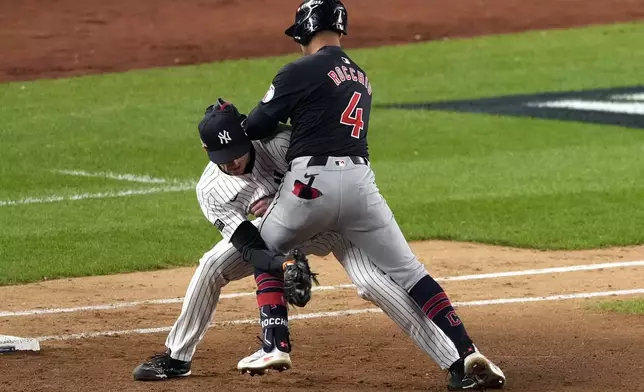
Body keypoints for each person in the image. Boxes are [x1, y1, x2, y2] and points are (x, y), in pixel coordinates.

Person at [221, 1, 506, 389]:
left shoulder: (298, 70)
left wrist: (234, 118)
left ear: (305, 31)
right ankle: (465, 346)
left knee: (264, 252)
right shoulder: (361, 75)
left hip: (310, 184)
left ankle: (275, 343)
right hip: (360, 185)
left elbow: (255, 126)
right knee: (411, 272)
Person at [132, 101, 477, 390]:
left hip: (336, 224)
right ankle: (177, 357)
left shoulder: (282, 144)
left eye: (237, 152)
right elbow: (250, 244)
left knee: (374, 285)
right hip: (275, 236)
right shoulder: (210, 190)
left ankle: (457, 363)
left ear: (248, 135)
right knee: (211, 266)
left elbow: (333, 183)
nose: (232, 162)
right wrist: (281, 264)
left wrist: (284, 203)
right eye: (223, 157)